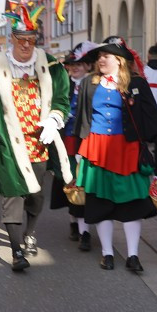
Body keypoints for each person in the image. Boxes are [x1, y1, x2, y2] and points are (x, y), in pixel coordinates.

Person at [0, 3, 74, 272]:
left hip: (40, 141)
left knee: (35, 196)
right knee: (12, 194)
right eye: (21, 40)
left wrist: (55, 118)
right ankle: (17, 251)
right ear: (12, 39)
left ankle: (30, 232)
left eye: (30, 40)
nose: (26, 45)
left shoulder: (50, 65)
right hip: (8, 143)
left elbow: (62, 96)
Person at [74, 36, 157, 273]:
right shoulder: (89, 83)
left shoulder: (137, 83)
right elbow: (82, 118)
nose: (100, 60)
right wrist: (79, 151)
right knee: (101, 204)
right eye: (99, 56)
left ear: (119, 61)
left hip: (127, 149)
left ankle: (133, 255)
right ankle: (107, 253)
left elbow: (152, 118)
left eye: (105, 56)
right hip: (97, 149)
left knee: (132, 204)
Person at [51, 41, 96, 250]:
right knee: (70, 181)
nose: (75, 67)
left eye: (79, 63)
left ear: (88, 65)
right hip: (67, 139)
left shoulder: (95, 85)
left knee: (85, 182)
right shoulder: (63, 85)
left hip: (88, 140)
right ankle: (74, 223)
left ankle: (85, 229)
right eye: (72, 64)